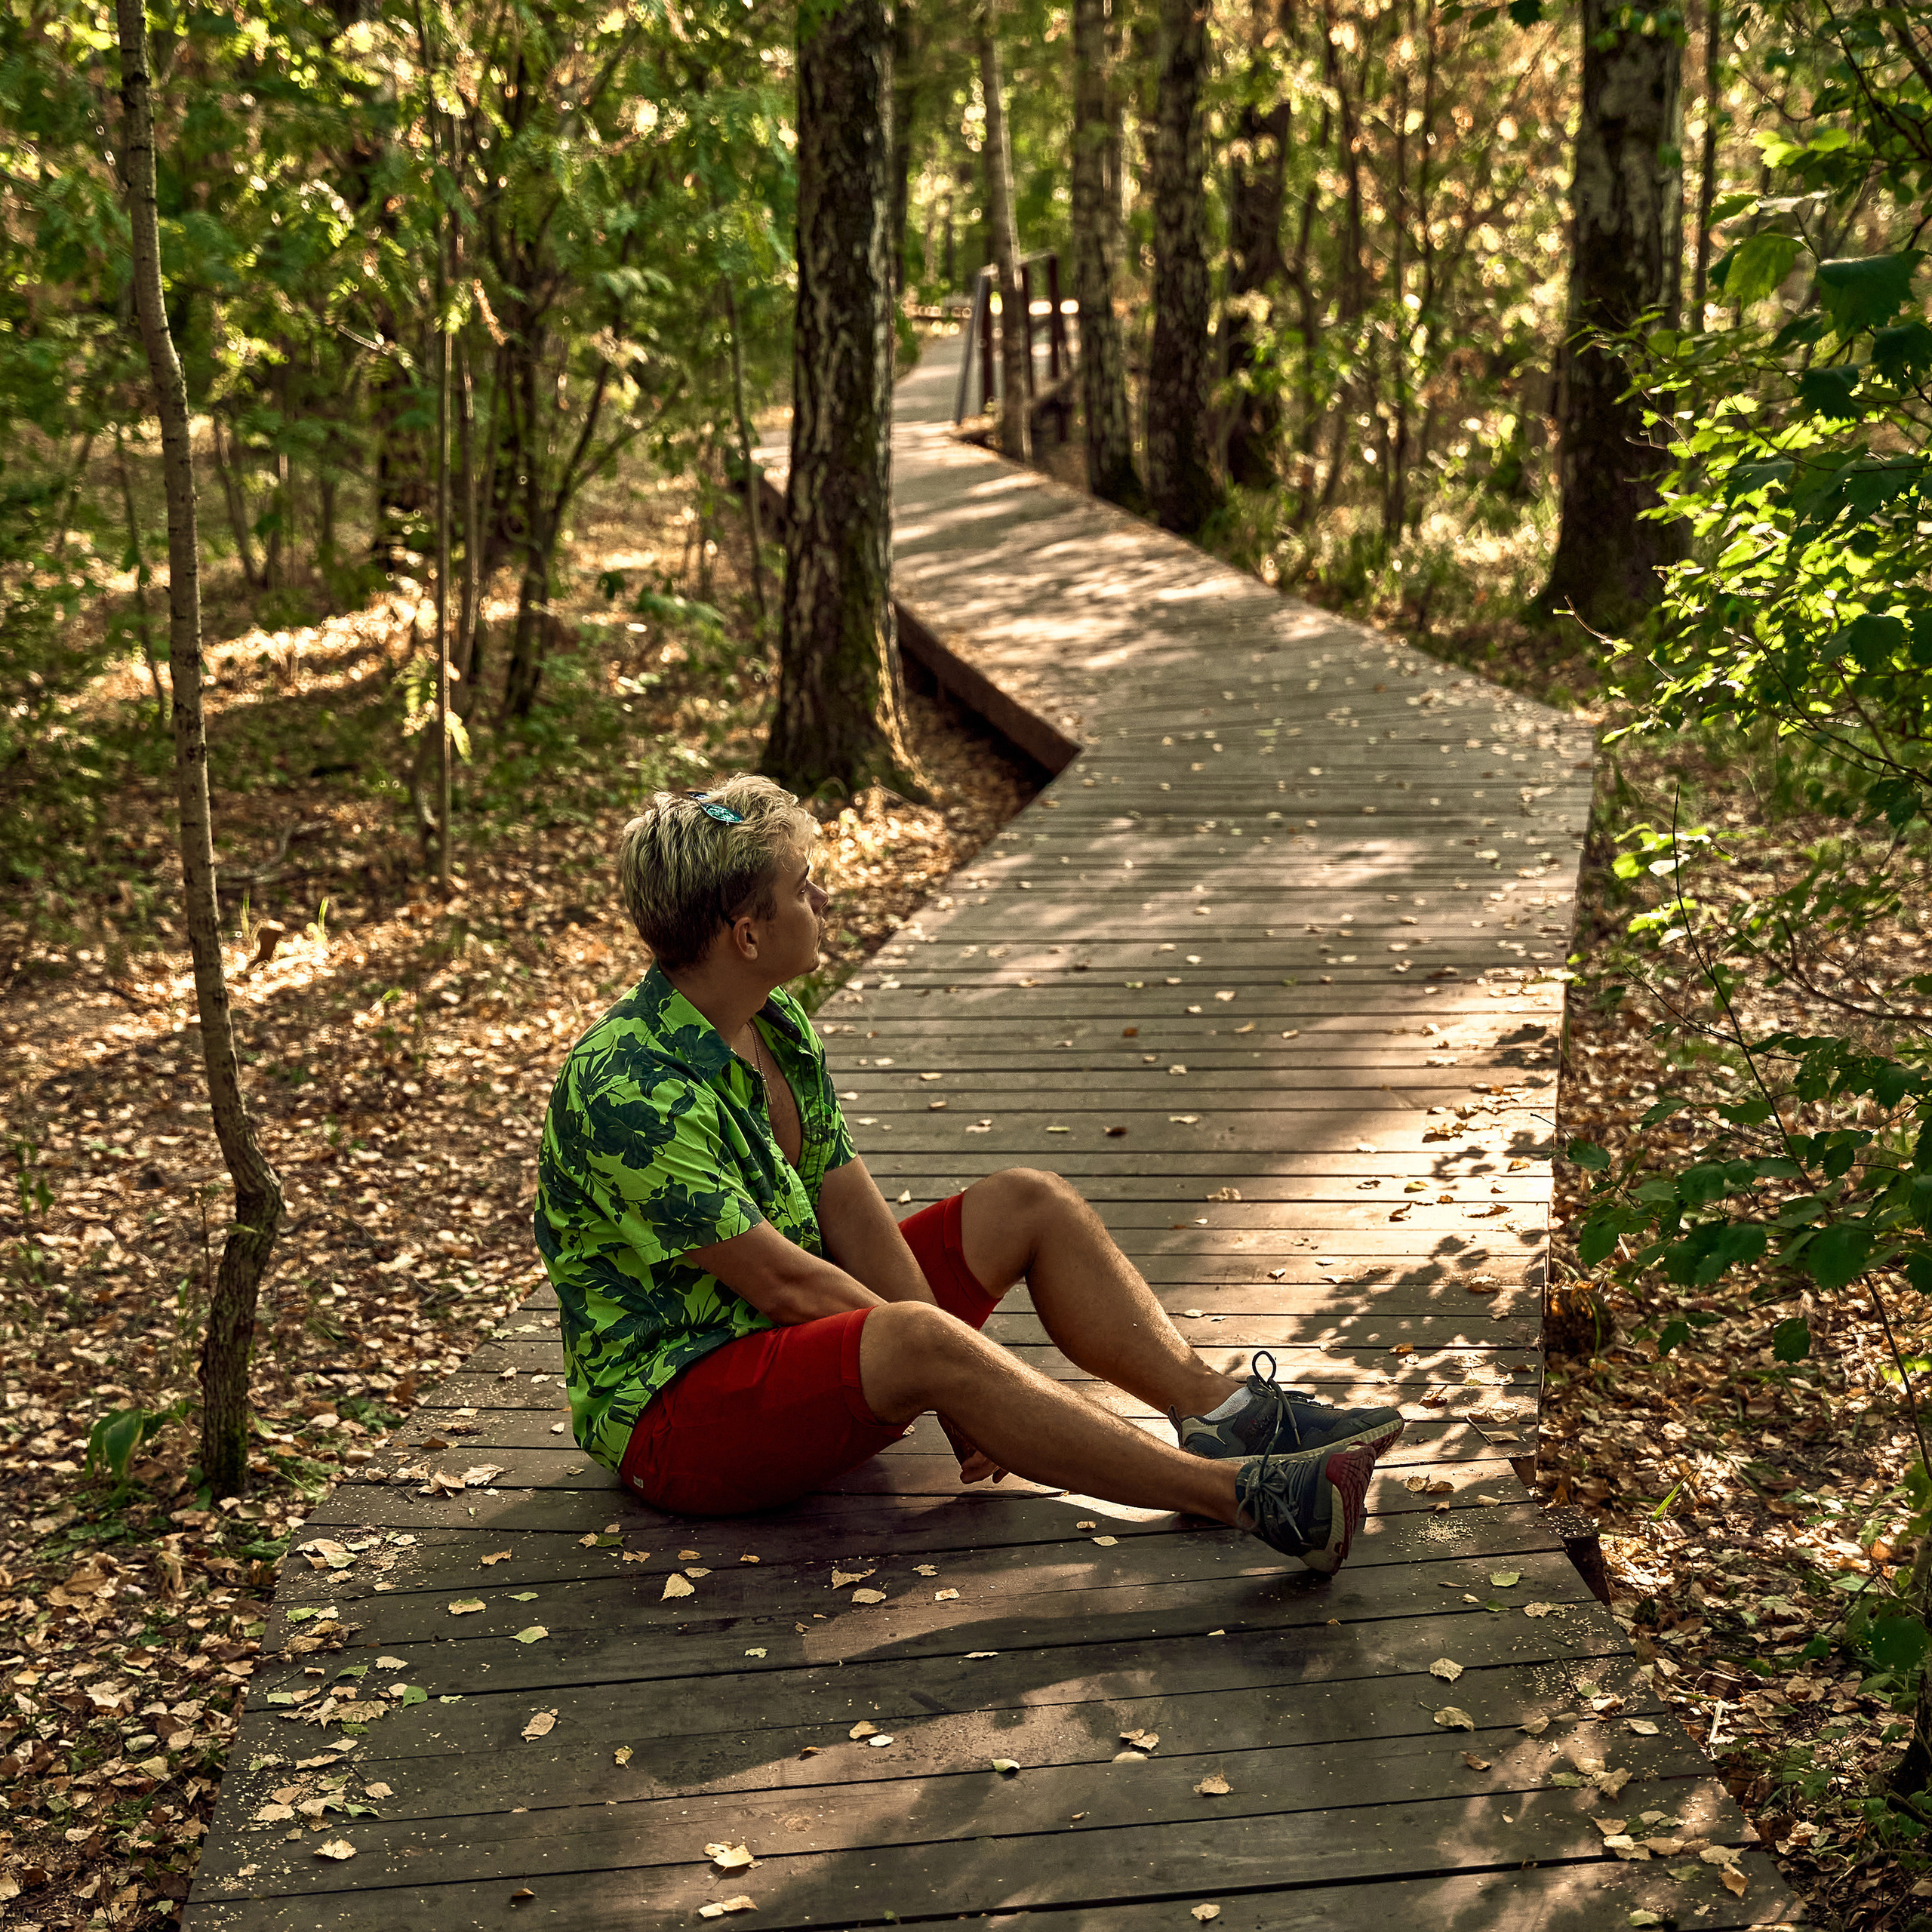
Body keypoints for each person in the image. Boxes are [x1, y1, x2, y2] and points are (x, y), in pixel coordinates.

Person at [534, 775, 1405, 1573]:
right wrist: (954, 1370)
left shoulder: (776, 1022)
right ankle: (1250, 1500)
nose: (823, 898)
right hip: (683, 1418)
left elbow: (851, 1208)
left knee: (1028, 1203)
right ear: (747, 932)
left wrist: (958, 1381)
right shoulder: (629, 1087)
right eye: (802, 886)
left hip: (787, 1354)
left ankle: (1227, 1419)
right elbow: (787, 1285)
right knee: (922, 1338)